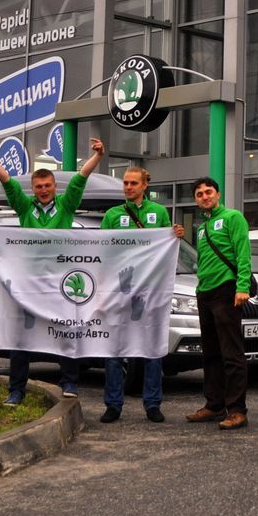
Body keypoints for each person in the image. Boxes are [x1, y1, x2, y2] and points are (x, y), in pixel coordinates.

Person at [0, 136, 105, 404]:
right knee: (22, 337)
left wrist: (96, 157)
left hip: (60, 282)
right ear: (33, 188)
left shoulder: (66, 205)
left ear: (53, 187)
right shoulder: (25, 207)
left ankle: (70, 382)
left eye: (47, 185)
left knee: (66, 332)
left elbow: (79, 180)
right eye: (38, 186)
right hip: (29, 283)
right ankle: (17, 390)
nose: (43, 190)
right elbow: (8, 182)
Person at [172, 176, 251, 430]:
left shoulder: (232, 217)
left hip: (226, 292)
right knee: (211, 354)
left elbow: (243, 252)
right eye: (199, 194)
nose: (204, 197)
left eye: (208, 192)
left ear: (217, 194)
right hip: (204, 293)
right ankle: (214, 405)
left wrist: (242, 287)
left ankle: (237, 410)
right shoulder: (202, 227)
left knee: (231, 354)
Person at [98, 166, 173, 424]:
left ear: (144, 186)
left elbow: (166, 250)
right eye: (126, 183)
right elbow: (101, 252)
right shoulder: (112, 215)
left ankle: (152, 404)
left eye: (133, 183)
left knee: (151, 349)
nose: (128, 187)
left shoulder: (159, 212)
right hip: (118, 290)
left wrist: (176, 236)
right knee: (114, 350)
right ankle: (113, 404)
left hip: (150, 290)